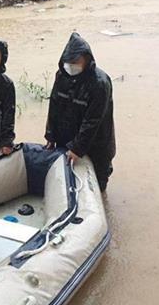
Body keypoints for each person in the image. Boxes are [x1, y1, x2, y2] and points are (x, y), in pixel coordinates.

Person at [44, 32, 116, 191]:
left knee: (98, 183)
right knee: (66, 180)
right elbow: (54, 106)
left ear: (86, 60)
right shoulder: (62, 75)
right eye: (67, 62)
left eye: (75, 62)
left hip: (97, 143)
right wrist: (51, 135)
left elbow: (93, 120)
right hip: (67, 136)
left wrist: (77, 148)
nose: (70, 66)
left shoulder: (100, 83)